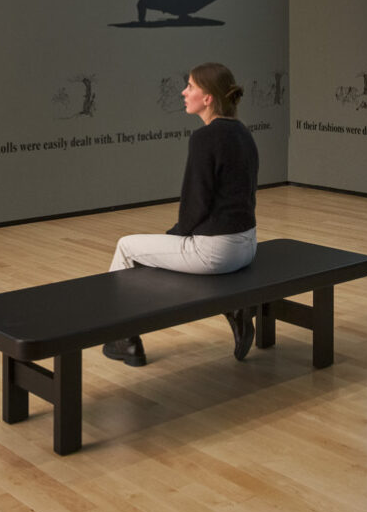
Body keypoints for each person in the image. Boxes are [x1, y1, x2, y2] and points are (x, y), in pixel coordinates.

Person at [103, 62, 260, 366]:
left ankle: (125, 339)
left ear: (209, 98)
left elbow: (194, 204)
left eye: (190, 86)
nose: (183, 92)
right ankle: (234, 308)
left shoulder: (204, 138)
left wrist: (172, 236)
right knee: (167, 253)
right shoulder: (243, 133)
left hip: (218, 251)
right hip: (247, 245)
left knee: (128, 247)